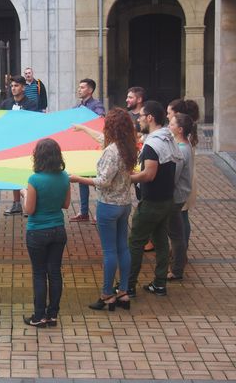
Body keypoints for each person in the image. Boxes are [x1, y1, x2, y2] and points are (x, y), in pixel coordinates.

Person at [69, 109, 136, 311]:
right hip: (124, 204)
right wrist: (83, 128)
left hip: (108, 206)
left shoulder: (111, 151)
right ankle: (123, 291)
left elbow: (103, 181)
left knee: (109, 251)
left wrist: (76, 178)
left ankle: (107, 294)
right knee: (123, 248)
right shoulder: (128, 147)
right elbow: (101, 139)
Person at [126, 101, 181, 297]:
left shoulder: (152, 144)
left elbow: (148, 175)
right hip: (166, 199)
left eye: (141, 116)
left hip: (152, 203)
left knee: (135, 242)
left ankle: (128, 286)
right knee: (161, 241)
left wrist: (128, 177)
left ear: (150, 118)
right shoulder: (168, 138)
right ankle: (159, 284)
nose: (138, 119)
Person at [22, 138, 71, 327]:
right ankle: (52, 315)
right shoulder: (64, 176)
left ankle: (39, 316)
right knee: (55, 272)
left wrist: (25, 193)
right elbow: (66, 204)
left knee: (39, 273)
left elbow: (30, 210)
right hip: (58, 230)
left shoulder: (34, 179)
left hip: (37, 232)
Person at [70, 78, 105, 223]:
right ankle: (83, 212)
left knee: (97, 182)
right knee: (82, 180)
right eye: (79, 87)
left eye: (82, 87)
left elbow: (100, 119)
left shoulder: (97, 105)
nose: (79, 89)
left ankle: (99, 213)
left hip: (94, 149)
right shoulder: (77, 107)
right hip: (80, 150)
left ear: (90, 90)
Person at [167, 99, 200, 253]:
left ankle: (181, 250)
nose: (168, 117)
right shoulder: (186, 132)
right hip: (187, 177)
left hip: (184, 180)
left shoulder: (184, 140)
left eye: (170, 114)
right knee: (182, 216)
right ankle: (180, 249)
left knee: (182, 217)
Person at [1, 76, 37, 216]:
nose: (13, 88)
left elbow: (33, 123)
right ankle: (17, 204)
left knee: (28, 173)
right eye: (12, 86)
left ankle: (30, 203)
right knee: (13, 172)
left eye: (16, 85)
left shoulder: (32, 104)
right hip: (11, 144)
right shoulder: (5, 104)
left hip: (26, 144)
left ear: (23, 87)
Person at [166, 112, 195, 281]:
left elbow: (173, 177)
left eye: (172, 124)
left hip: (175, 196)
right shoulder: (183, 145)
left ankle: (177, 268)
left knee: (176, 234)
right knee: (177, 231)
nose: (169, 126)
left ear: (180, 129)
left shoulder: (181, 150)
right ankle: (177, 263)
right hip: (180, 195)